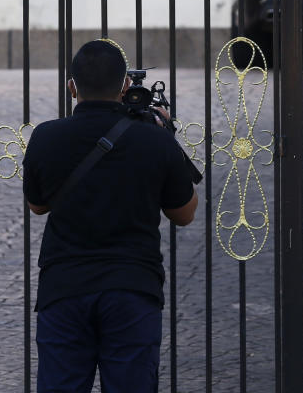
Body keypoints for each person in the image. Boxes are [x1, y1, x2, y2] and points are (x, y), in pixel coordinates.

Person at [23, 40, 200, 392]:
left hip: (65, 288)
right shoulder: (154, 139)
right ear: (124, 86)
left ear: (71, 87)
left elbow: (38, 205)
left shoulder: (46, 137)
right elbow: (185, 213)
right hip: (132, 289)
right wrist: (166, 138)